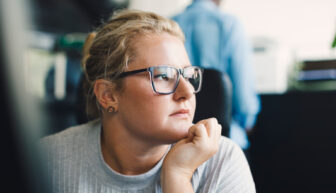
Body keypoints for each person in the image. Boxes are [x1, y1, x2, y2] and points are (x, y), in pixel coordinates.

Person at [39, 9, 255, 193]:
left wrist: (178, 176)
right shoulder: (47, 160)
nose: (187, 92)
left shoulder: (222, 162)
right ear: (108, 95)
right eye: (162, 75)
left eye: (188, 76)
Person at [173, 0, 260, 149]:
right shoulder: (229, 24)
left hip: (179, 137)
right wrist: (248, 120)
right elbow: (242, 90)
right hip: (224, 137)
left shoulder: (170, 24)